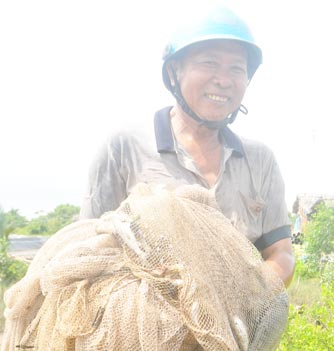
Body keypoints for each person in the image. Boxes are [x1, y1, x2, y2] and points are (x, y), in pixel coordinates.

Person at [80, 5, 295, 286]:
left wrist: (249, 292)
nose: (224, 80)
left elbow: (281, 253)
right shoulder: (124, 147)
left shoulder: (260, 160)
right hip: (143, 327)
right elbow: (86, 248)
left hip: (237, 329)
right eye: (209, 63)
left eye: (236, 69)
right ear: (173, 72)